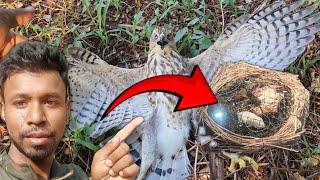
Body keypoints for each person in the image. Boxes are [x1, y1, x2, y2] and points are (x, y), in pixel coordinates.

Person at [0, 7, 141, 180]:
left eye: (50, 102)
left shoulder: (73, 175)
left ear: (67, 110)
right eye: (21, 102)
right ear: (3, 109)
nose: (36, 117)